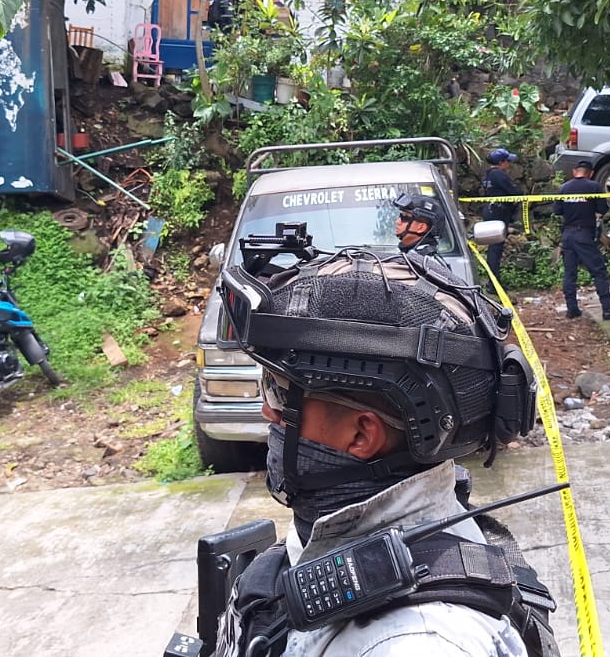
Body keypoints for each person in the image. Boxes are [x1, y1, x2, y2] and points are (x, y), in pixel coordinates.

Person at [212, 245, 552, 656]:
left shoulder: (417, 644)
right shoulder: (340, 528)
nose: (267, 410)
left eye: (279, 392)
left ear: (361, 435)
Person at [558, 161, 610, 321]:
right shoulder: (594, 186)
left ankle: (572, 309)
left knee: (570, 272)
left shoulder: (564, 188)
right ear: (590, 173)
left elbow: (557, 210)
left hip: (567, 234)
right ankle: (608, 309)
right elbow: (603, 209)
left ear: (574, 171)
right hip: (583, 234)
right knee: (599, 270)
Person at [481, 148, 524, 282]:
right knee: (496, 247)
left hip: (491, 209)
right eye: (507, 161)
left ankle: (493, 280)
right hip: (498, 212)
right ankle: (494, 282)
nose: (509, 164)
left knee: (493, 247)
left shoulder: (488, 174)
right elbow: (514, 191)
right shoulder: (499, 174)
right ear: (501, 162)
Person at [393, 191, 444, 255]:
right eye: (400, 216)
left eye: (405, 217)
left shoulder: (425, 260)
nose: (397, 222)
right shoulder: (409, 254)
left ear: (421, 227)